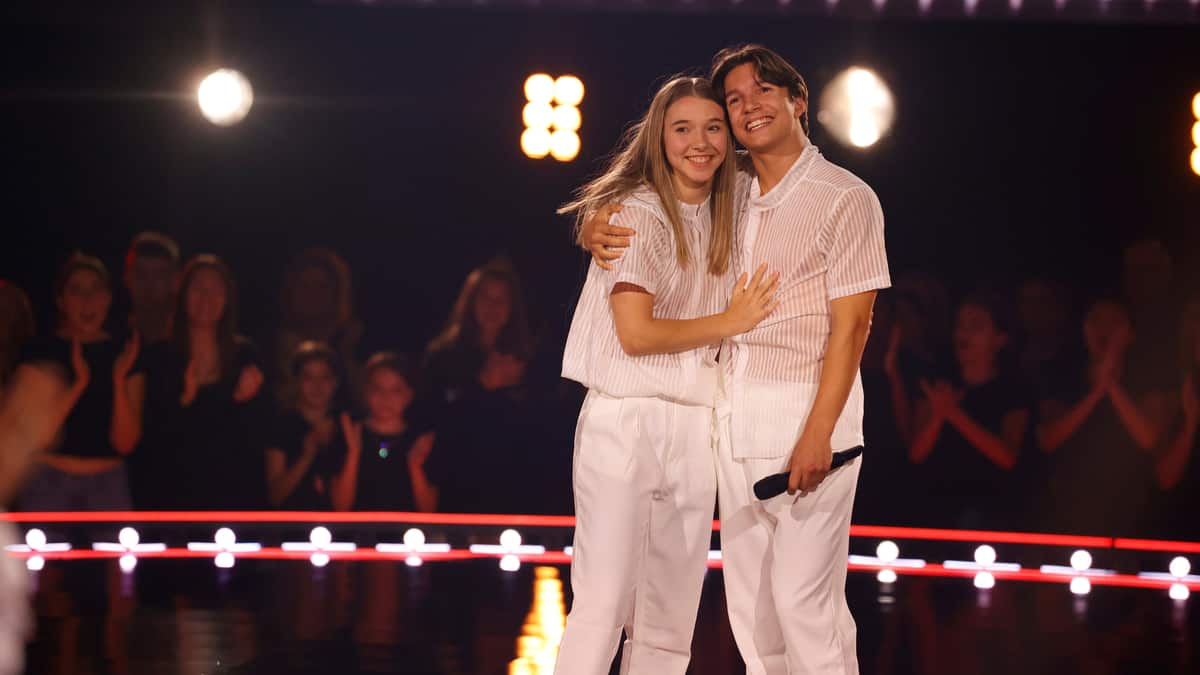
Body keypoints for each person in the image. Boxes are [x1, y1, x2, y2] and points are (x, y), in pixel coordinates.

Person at [584, 45, 890, 674]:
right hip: (729, 422)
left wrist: (818, 434)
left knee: (806, 607)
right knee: (753, 617)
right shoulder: (732, 186)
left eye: (763, 91)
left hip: (809, 420)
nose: (748, 106)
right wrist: (594, 222)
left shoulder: (846, 196)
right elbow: (646, 199)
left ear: (797, 101)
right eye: (735, 99)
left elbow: (854, 326)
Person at [555, 75, 778, 675]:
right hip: (625, 420)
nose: (699, 142)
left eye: (713, 127)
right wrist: (729, 321)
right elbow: (637, 333)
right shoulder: (636, 212)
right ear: (659, 136)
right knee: (601, 606)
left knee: (670, 623)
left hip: (695, 422)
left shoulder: (735, 207)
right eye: (682, 128)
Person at [14, 254, 144, 512]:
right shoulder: (40, 350)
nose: (88, 301)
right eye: (77, 290)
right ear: (61, 301)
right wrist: (77, 386)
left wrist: (118, 380)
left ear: (108, 298)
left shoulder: (126, 351)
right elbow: (35, 438)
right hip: (49, 481)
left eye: (96, 290)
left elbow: (125, 443)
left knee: (114, 553)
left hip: (107, 484)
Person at [136, 255, 267, 510]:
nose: (206, 297)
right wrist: (185, 401)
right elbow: (150, 442)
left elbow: (257, 439)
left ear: (227, 299)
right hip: (173, 496)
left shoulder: (244, 354)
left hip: (233, 495)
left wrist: (240, 402)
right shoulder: (161, 355)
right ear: (183, 295)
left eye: (216, 289)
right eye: (198, 288)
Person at [1034, 299, 1171, 535]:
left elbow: (1150, 439)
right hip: (1069, 513)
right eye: (1096, 320)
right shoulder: (1061, 377)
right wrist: (1097, 391)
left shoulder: (1149, 383)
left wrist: (1111, 386)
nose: (1103, 328)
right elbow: (1049, 438)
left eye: (1113, 322)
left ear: (1130, 333)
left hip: (1132, 516)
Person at [906, 292, 1031, 529]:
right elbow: (915, 453)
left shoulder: (1014, 390)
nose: (964, 334)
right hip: (935, 512)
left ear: (1000, 338)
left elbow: (1007, 457)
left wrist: (954, 414)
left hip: (994, 514)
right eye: (961, 325)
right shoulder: (936, 384)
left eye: (976, 326)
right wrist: (938, 416)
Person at [329, 352, 440, 512]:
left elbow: (429, 510)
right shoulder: (349, 435)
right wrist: (353, 454)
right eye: (377, 389)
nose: (385, 398)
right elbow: (340, 507)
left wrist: (415, 466)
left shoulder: (421, 440)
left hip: (407, 534)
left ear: (409, 395)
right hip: (358, 532)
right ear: (365, 392)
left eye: (395, 390)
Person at [275, 248, 363, 406]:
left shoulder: (354, 343)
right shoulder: (272, 347)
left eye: (321, 286)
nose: (313, 294)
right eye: (305, 286)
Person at [264, 341, 344, 510]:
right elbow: (275, 496)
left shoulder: (348, 425)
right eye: (308, 377)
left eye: (325, 377)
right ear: (296, 381)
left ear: (335, 381)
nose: (317, 386)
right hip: (291, 526)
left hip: (339, 526)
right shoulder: (281, 425)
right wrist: (307, 456)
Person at [123, 231, 181, 345]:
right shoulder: (111, 339)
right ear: (127, 278)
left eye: (159, 275)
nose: (149, 283)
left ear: (175, 281)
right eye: (141, 273)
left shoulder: (190, 344)